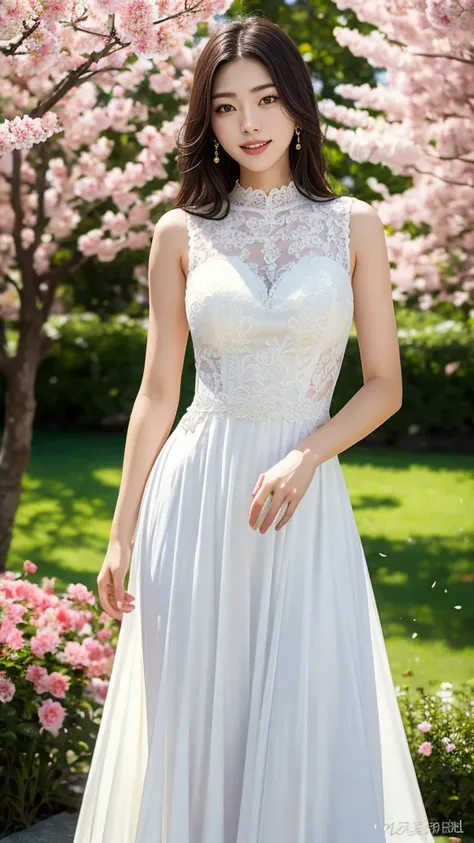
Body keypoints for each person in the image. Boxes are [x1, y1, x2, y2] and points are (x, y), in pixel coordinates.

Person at [73, 15, 435, 843]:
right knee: (198, 711)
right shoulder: (179, 232)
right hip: (197, 498)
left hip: (300, 497)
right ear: (208, 119)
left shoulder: (354, 225)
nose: (250, 123)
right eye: (228, 106)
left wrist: (308, 454)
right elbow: (157, 391)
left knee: (304, 700)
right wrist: (121, 532)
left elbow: (385, 386)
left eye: (266, 99)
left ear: (298, 107)